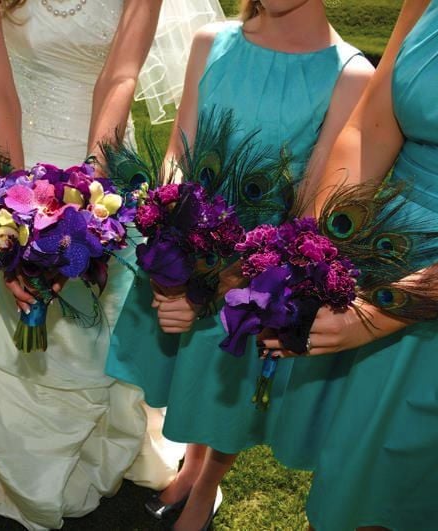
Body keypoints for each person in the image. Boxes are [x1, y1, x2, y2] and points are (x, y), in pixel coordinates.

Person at [0, 1, 222, 529]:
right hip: (19, 163)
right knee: (6, 325)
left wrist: (84, 206)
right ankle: (11, 457)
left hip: (97, 173)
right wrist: (15, 208)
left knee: (98, 334)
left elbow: (118, 78)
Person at [105, 1, 374, 529]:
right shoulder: (212, 41)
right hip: (187, 246)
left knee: (228, 388)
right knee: (196, 377)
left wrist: (228, 277)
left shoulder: (351, 73)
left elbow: (314, 203)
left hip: (260, 271)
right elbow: (181, 151)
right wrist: (174, 235)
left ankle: (205, 485)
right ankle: (188, 467)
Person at [259, 0, 438, 528]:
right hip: (389, 246)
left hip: (415, 299)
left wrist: (381, 312)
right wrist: (311, 251)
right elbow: (372, 129)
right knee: (353, 481)